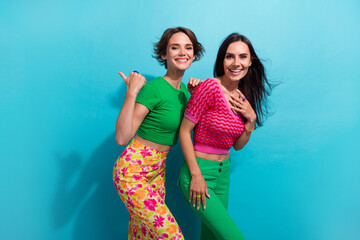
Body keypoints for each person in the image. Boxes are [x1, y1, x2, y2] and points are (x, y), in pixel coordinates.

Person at [112, 27, 204, 240]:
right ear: (164, 54)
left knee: (143, 237)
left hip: (157, 169)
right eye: (175, 47)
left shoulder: (184, 92)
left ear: (194, 54)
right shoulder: (154, 88)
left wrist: (195, 97)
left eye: (188, 48)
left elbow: (194, 132)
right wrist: (132, 92)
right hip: (132, 171)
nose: (183, 52)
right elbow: (121, 138)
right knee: (172, 236)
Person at [178, 33, 272, 240]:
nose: (236, 63)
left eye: (242, 57)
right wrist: (196, 175)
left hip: (223, 175)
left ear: (250, 61)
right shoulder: (210, 87)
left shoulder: (243, 99)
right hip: (199, 171)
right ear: (222, 60)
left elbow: (237, 146)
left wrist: (250, 121)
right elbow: (184, 131)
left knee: (212, 237)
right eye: (230, 57)